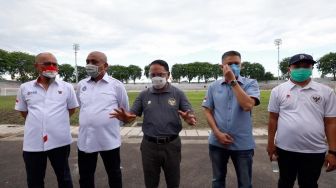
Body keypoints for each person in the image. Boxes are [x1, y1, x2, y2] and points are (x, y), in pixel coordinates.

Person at [111, 59, 196, 188]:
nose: (156, 78)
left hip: (172, 145)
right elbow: (131, 116)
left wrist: (189, 120)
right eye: (153, 75)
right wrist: (125, 118)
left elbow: (190, 116)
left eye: (160, 74)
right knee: (150, 183)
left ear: (168, 74)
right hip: (149, 146)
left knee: (173, 182)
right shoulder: (144, 95)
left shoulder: (178, 93)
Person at [267, 53, 336, 188]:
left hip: (314, 151)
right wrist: (270, 144)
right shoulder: (277, 91)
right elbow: (273, 119)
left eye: (306, 66)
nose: (301, 69)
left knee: (309, 184)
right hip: (285, 149)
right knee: (285, 182)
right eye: (297, 66)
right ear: (289, 69)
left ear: (312, 68)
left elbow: (331, 122)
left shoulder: (326, 92)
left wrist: (333, 152)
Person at [15, 52, 79, 188]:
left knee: (64, 178)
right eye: (47, 63)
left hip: (60, 141)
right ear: (37, 66)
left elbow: (71, 109)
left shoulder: (67, 87)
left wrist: (54, 122)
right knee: (34, 180)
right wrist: (40, 122)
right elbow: (23, 111)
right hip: (33, 142)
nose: (51, 67)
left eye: (54, 64)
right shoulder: (25, 87)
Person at [202, 50, 260, 188]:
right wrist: (217, 133)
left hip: (243, 144)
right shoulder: (213, 86)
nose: (234, 66)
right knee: (218, 180)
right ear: (222, 66)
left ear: (241, 65)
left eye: (237, 63)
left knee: (245, 183)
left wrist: (233, 81)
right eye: (229, 63)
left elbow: (247, 105)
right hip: (217, 142)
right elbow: (207, 111)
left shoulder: (250, 83)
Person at [76, 51, 129, 188]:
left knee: (114, 175)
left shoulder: (116, 86)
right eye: (87, 61)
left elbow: (124, 112)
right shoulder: (82, 85)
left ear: (105, 66)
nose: (89, 65)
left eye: (94, 62)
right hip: (86, 140)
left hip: (109, 140)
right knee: (85, 177)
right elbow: (82, 107)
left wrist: (124, 119)